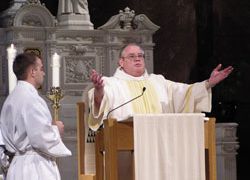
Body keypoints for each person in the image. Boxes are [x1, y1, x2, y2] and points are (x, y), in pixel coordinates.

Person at [88, 43, 233, 131]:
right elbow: (99, 105)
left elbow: (185, 93)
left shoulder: (158, 81)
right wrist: (99, 90)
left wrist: (209, 83)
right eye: (131, 56)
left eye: (140, 56)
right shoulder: (111, 83)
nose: (137, 58)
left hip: (159, 140)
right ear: (121, 61)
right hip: (123, 142)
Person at [0, 53, 71, 180]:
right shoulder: (31, 99)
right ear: (32, 72)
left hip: (16, 167)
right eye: (41, 69)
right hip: (34, 168)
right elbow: (41, 138)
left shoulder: (10, 99)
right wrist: (56, 129)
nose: (43, 74)